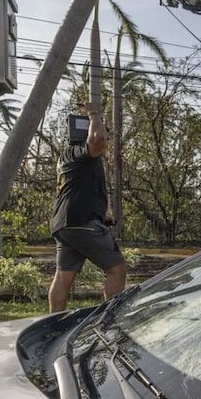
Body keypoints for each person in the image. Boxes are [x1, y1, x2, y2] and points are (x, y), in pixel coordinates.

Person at [48, 102, 127, 313]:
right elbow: (98, 139)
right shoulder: (82, 152)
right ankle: (111, 321)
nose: (106, 139)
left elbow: (78, 192)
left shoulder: (68, 157)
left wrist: (102, 218)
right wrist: (93, 112)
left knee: (63, 277)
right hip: (81, 222)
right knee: (117, 269)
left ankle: (55, 323)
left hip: (65, 224)